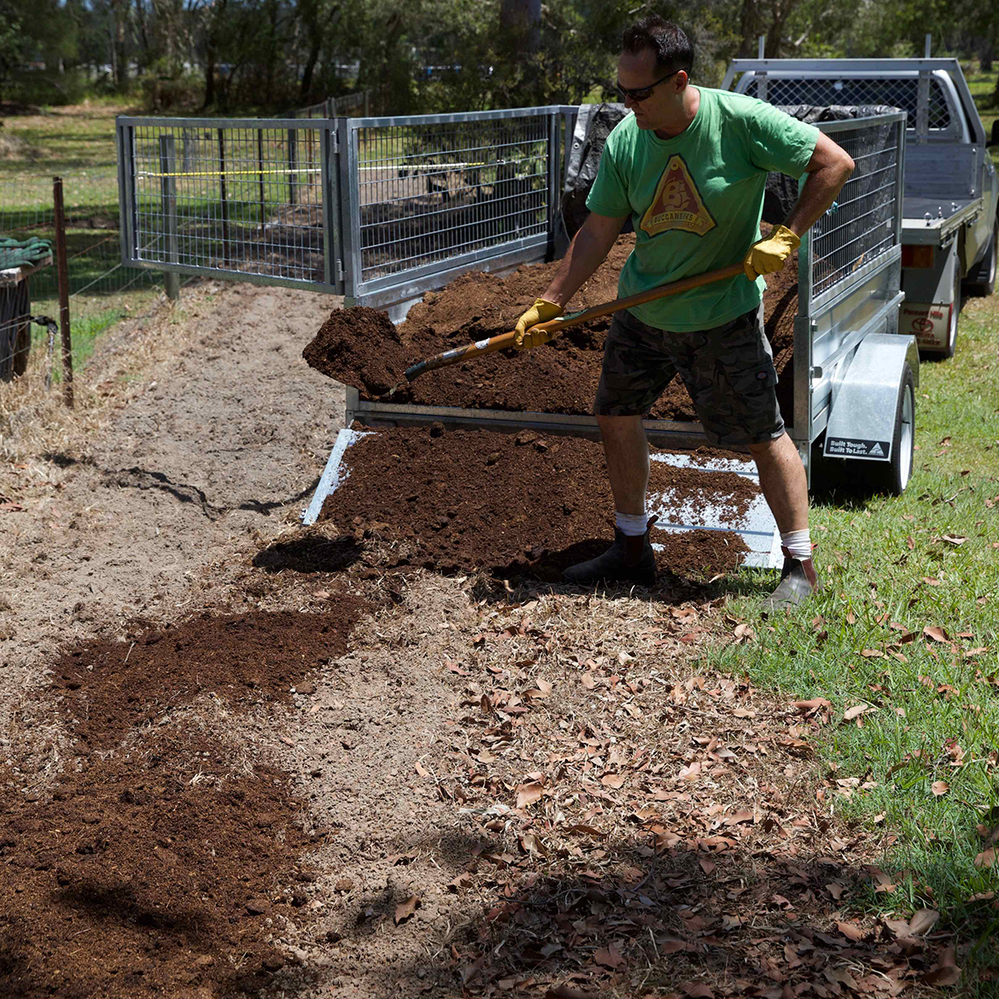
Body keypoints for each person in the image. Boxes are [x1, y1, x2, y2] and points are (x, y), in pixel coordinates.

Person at [514, 15, 854, 609]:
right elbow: (598, 230)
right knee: (616, 414)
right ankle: (631, 546)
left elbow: (835, 164)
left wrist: (787, 235)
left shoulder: (741, 122)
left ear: (678, 81)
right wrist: (552, 299)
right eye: (621, 91)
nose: (628, 105)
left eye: (639, 93)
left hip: (722, 315)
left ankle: (799, 564)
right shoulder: (627, 140)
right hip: (643, 311)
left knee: (762, 435)